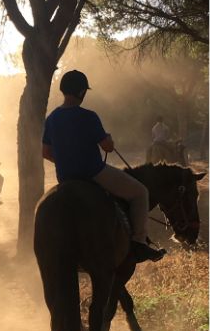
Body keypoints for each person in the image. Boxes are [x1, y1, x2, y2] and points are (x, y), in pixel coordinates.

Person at [42, 69, 165, 263]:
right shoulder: (89, 116)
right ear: (82, 91)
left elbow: (46, 152)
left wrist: (67, 160)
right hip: (94, 173)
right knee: (140, 192)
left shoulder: (52, 119)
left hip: (65, 178)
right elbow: (107, 147)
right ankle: (139, 243)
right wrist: (109, 140)